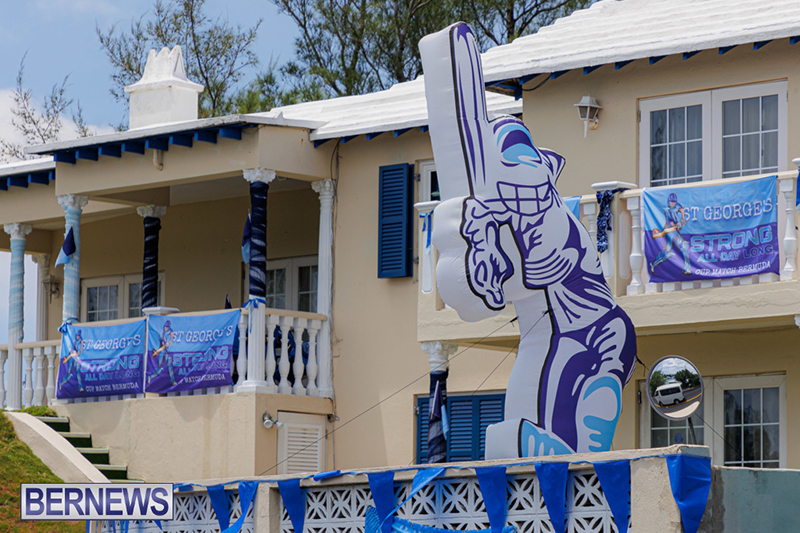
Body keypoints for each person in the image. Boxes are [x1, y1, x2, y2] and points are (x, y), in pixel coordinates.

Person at [650, 192, 691, 275]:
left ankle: (686, 269)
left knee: (679, 247)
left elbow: (681, 210)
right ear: (668, 201)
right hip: (669, 230)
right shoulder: (667, 210)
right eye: (671, 202)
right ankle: (653, 264)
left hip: (674, 230)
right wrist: (677, 225)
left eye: (674, 202)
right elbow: (671, 223)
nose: (673, 204)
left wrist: (683, 218)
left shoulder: (676, 205)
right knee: (671, 250)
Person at [149, 320, 177, 386]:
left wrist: (171, 340)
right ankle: (150, 377)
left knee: (169, 362)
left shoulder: (169, 329)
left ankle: (173, 381)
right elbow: (163, 346)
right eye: (165, 327)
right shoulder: (161, 334)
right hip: (162, 351)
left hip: (165, 351)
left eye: (167, 327)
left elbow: (171, 333)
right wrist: (156, 352)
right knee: (159, 370)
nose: (166, 328)